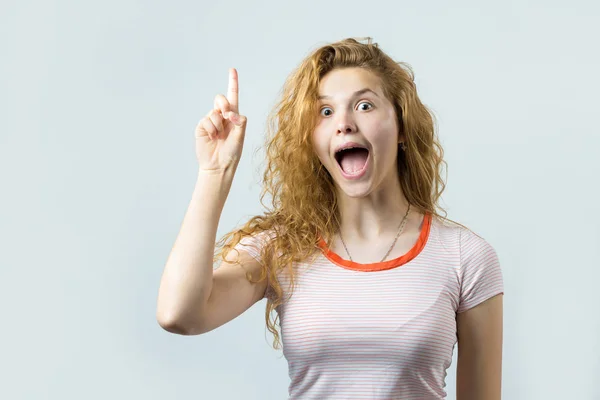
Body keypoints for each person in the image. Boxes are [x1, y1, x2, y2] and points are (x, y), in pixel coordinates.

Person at [157, 37, 504, 399]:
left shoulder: (466, 257)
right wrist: (215, 172)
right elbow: (179, 314)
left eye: (365, 105)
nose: (344, 124)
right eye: (325, 112)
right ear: (311, 140)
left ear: (402, 127)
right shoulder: (282, 247)